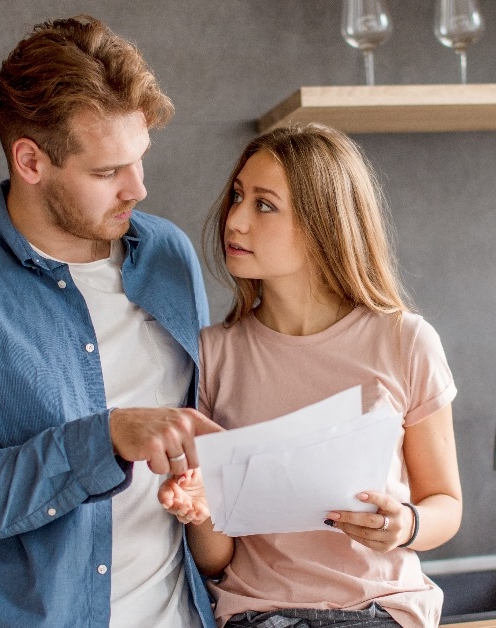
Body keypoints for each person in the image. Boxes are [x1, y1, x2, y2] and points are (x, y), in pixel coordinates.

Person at [0, 15, 220, 627]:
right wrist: (106, 437)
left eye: (140, 160)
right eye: (107, 171)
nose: (137, 189)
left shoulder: (168, 256)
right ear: (30, 161)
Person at [161, 124, 463, 628]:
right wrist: (199, 508)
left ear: (321, 223)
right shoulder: (213, 356)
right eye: (237, 196)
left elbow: (446, 505)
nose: (234, 220)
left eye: (264, 204)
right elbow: (217, 559)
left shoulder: (405, 341)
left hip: (381, 611)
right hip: (260, 616)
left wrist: (405, 525)